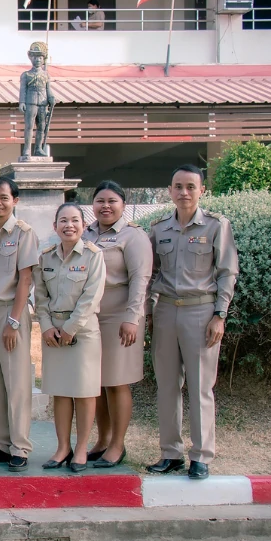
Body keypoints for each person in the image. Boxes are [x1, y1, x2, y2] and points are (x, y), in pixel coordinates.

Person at [147, 164, 238, 480]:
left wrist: (220, 315)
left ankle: (200, 455)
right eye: (178, 186)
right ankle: (170, 453)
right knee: (167, 386)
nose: (183, 192)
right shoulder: (158, 229)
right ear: (170, 191)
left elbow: (227, 272)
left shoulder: (215, 226)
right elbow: (150, 274)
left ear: (202, 190)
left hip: (201, 313)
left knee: (200, 387)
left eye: (190, 186)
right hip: (166, 312)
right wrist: (147, 313)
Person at [82, 181, 152, 468]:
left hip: (120, 315)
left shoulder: (133, 236)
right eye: (100, 201)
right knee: (96, 383)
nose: (105, 206)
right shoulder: (86, 233)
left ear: (123, 204)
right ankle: (102, 439)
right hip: (91, 316)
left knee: (116, 381)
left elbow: (140, 279)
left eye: (112, 201)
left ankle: (117, 445)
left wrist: (132, 318)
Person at [34, 203, 106, 473]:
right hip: (53, 331)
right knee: (61, 392)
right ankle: (62, 447)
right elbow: (40, 296)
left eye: (75, 220)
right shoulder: (46, 257)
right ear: (55, 226)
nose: (69, 225)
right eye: (63, 221)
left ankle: (81, 449)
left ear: (83, 225)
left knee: (85, 392)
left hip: (83, 332)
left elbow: (91, 297)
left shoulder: (93, 256)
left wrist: (70, 328)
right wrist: (46, 326)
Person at [0, 177, 39, 472]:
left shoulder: (24, 234)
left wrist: (13, 322)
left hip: (10, 314)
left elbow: (25, 279)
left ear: (15, 200)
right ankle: (3, 443)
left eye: (3, 197)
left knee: (16, 382)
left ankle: (20, 447)